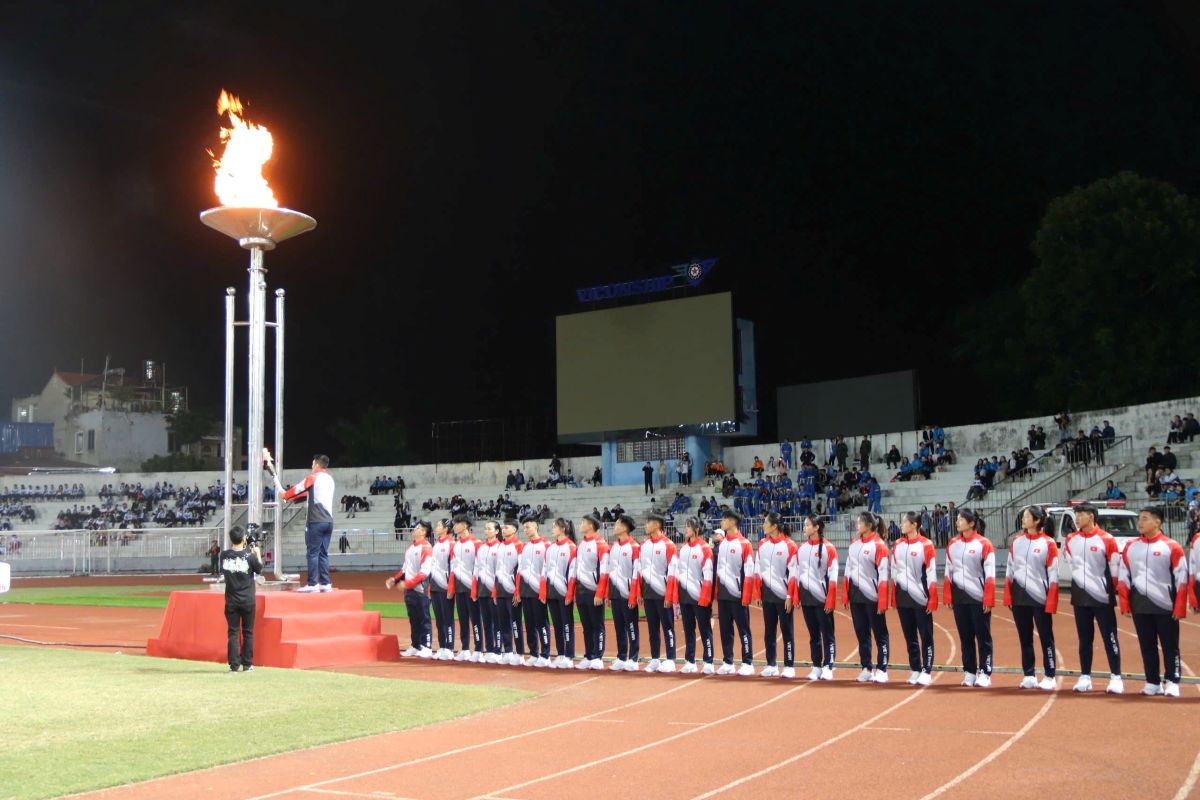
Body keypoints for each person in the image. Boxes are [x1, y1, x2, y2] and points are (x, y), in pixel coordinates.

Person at [1117, 507, 1188, 697]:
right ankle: (1152, 681)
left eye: (1145, 519)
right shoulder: (1131, 546)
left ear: (1157, 523)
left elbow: (1182, 579)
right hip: (1140, 605)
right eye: (1139, 518)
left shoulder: (1172, 546)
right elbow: (1124, 576)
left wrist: (1180, 606)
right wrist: (1124, 603)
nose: (1140, 522)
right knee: (1146, 645)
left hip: (1166, 606)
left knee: (1169, 645)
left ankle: (1172, 680)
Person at [1062, 502, 1123, 693]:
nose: (1077, 518)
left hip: (1102, 597)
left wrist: (1109, 590)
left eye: (1081, 514)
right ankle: (1085, 676)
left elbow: (1115, 569)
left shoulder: (1107, 539)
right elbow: (1072, 564)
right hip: (1080, 597)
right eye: (1076, 515)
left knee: (1109, 636)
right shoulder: (1071, 539)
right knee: (1084, 639)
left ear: (1092, 516)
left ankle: (1116, 676)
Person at [1004, 506, 1059, 691]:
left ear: (1036, 520)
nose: (1023, 519)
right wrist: (1008, 595)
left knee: (1045, 637)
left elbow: (1053, 575)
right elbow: (1010, 569)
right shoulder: (1017, 541)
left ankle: (1050, 675)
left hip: (1040, 598)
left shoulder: (1048, 543)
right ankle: (1029, 674)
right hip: (1020, 597)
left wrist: (1051, 601)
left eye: (1027, 516)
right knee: (1025, 637)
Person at [268, 453, 335, 593]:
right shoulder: (330, 480)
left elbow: (289, 495)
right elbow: (304, 496)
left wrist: (278, 485)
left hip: (315, 521)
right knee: (323, 553)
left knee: (312, 553)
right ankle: (325, 583)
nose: (311, 466)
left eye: (312, 464)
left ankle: (312, 584)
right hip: (328, 521)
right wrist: (287, 496)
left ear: (316, 465)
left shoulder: (312, 478)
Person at [944, 509, 995, 688]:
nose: (957, 522)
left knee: (983, 636)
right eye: (957, 519)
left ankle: (985, 672)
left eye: (960, 519)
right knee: (965, 636)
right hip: (959, 598)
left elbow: (990, 574)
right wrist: (948, 595)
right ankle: (969, 671)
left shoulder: (984, 544)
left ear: (971, 523)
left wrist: (988, 598)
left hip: (978, 597)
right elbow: (948, 571)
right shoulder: (952, 544)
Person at [842, 511, 891, 684]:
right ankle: (866, 667)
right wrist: (846, 595)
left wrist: (883, 600)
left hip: (873, 596)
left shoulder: (879, 546)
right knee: (862, 633)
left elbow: (884, 575)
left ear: (869, 525)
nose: (857, 525)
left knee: (879, 633)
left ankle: (882, 669)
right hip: (856, 597)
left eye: (859, 522)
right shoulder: (853, 544)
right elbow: (848, 570)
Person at [890, 511, 937, 686]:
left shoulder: (926, 544)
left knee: (925, 635)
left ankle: (927, 670)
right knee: (909, 635)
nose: (901, 525)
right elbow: (894, 571)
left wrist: (932, 598)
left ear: (914, 525)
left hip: (921, 597)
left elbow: (931, 572)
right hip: (903, 598)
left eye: (904, 522)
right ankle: (915, 668)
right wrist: (894, 596)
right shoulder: (897, 544)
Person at [789, 515, 837, 681]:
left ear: (817, 527)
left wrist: (830, 600)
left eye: (807, 525)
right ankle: (816, 665)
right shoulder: (801, 549)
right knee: (813, 634)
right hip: (807, 599)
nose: (804, 527)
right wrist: (796, 596)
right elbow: (795, 573)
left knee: (827, 634)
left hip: (823, 599)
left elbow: (833, 576)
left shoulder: (829, 548)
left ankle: (828, 665)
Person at [755, 512, 798, 678]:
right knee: (769, 631)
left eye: (766, 522)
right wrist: (758, 593)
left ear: (774, 526)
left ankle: (789, 665)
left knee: (787, 630)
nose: (763, 525)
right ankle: (771, 664)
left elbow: (794, 573)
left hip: (783, 595)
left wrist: (790, 596)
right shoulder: (762, 544)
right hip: (767, 595)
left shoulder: (790, 545)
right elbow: (758, 570)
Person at [714, 509, 756, 675]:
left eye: (724, 520)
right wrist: (717, 591)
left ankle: (747, 662)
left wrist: (746, 594)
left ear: (732, 522)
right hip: (724, 594)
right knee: (725, 629)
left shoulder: (744, 543)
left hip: (739, 595)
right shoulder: (723, 543)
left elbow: (750, 570)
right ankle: (728, 661)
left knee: (743, 629)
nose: (721, 522)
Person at [387, 520, 434, 658]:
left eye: (418, 528)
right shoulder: (410, 548)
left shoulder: (426, 547)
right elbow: (404, 569)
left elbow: (425, 572)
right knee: (413, 619)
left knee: (424, 618)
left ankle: (427, 646)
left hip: (421, 589)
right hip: (410, 590)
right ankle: (416, 645)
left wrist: (408, 584)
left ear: (424, 532)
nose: (415, 529)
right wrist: (395, 579)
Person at [640, 513, 679, 672]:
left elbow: (673, 572)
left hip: (663, 595)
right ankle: (655, 658)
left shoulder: (669, 545)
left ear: (657, 525)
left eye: (648, 523)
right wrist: (640, 593)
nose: (645, 525)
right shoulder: (643, 544)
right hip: (648, 593)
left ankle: (670, 659)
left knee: (668, 627)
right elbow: (639, 570)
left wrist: (669, 595)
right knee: (652, 628)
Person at [220, 525, 262, 672]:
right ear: (243, 538)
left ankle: (234, 665)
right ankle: (248, 664)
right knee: (248, 632)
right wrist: (257, 552)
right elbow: (259, 569)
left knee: (233, 632)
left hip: (231, 600)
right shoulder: (250, 557)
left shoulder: (224, 555)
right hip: (248, 600)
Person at [603, 514, 642, 671]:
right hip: (615, 593)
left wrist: (634, 594)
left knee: (631, 625)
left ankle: (633, 658)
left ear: (625, 528)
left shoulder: (634, 547)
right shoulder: (613, 547)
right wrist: (608, 594)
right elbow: (609, 572)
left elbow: (636, 574)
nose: (615, 526)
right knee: (619, 626)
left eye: (618, 524)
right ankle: (621, 656)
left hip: (628, 594)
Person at [676, 517, 714, 674]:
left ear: (697, 529)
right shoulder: (683, 548)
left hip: (700, 597)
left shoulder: (705, 548)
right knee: (688, 629)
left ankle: (708, 660)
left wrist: (705, 597)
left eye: (688, 526)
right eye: (685, 526)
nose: (686, 529)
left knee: (704, 630)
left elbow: (708, 575)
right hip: (685, 596)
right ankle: (689, 660)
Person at [540, 518, 577, 668]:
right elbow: (544, 571)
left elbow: (573, 574)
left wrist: (569, 594)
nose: (552, 529)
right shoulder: (550, 548)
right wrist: (543, 592)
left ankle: (568, 655)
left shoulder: (571, 547)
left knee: (567, 624)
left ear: (563, 529)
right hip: (551, 592)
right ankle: (560, 653)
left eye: (555, 526)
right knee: (557, 624)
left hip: (564, 592)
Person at [574, 515, 609, 670]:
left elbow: (604, 571)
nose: (580, 525)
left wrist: (600, 593)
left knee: (597, 625)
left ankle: (598, 656)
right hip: (581, 591)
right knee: (586, 626)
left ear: (591, 525)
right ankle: (589, 655)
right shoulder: (581, 544)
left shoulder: (600, 544)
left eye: (583, 522)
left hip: (594, 591)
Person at [516, 517, 551, 667]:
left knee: (541, 623)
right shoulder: (524, 546)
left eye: (528, 527)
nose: (526, 530)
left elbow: (547, 570)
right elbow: (519, 570)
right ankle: (533, 653)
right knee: (529, 624)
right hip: (525, 591)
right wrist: (517, 590)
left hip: (538, 591)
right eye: (524, 527)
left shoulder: (546, 545)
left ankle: (546, 654)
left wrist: (543, 591)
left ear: (536, 527)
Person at [450, 515, 484, 662]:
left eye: (456, 524)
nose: (454, 527)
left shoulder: (476, 543)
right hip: (459, 588)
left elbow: (479, 568)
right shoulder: (455, 545)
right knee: (463, 619)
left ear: (465, 526)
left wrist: (475, 589)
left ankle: (478, 648)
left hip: (472, 588)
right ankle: (465, 648)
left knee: (475, 619)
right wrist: (451, 589)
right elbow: (453, 568)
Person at [493, 519, 525, 665]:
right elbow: (496, 571)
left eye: (507, 527)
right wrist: (494, 591)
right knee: (503, 622)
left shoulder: (519, 546)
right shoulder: (499, 547)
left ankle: (519, 653)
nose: (503, 529)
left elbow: (520, 570)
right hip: (499, 590)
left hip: (512, 591)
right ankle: (508, 651)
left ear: (514, 529)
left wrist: (518, 591)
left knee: (515, 623)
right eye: (503, 527)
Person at [472, 521, 502, 663]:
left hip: (494, 590)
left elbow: (500, 571)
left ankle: (498, 649)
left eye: (489, 528)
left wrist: (495, 590)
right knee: (487, 621)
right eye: (485, 528)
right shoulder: (482, 548)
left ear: (497, 531)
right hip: (482, 590)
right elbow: (476, 569)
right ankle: (489, 649)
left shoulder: (500, 547)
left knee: (497, 621)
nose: (487, 530)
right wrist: (474, 589)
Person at [427, 519, 456, 660]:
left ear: (446, 528)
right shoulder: (436, 544)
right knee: (439, 619)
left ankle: (449, 648)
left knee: (447, 618)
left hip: (445, 587)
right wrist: (429, 587)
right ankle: (442, 646)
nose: (436, 527)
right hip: (434, 586)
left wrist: (451, 588)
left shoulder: (451, 544)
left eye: (439, 525)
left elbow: (452, 568)